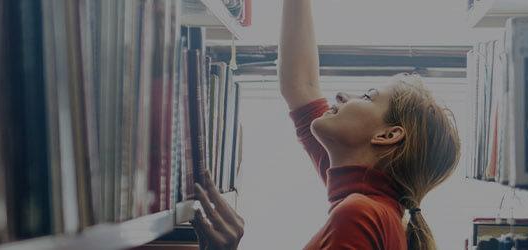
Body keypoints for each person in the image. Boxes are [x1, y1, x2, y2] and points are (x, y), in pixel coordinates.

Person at [190, 0, 462, 249]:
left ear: (387, 135)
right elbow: (302, 85)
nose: (342, 95)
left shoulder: (359, 214)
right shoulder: (373, 203)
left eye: (367, 97)